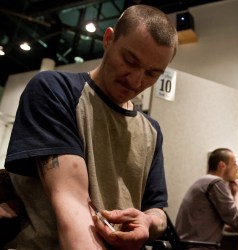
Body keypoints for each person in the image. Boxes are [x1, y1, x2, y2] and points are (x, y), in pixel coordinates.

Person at [4, 4, 178, 250]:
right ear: (109, 39)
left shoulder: (152, 131)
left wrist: (148, 222)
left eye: (152, 73)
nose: (137, 80)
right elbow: (72, 208)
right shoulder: (55, 90)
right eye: (130, 60)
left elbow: (157, 209)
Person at [175, 148, 238, 249]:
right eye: (234, 164)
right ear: (222, 165)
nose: (237, 167)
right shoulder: (216, 182)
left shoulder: (203, 181)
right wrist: (237, 193)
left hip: (187, 245)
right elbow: (237, 221)